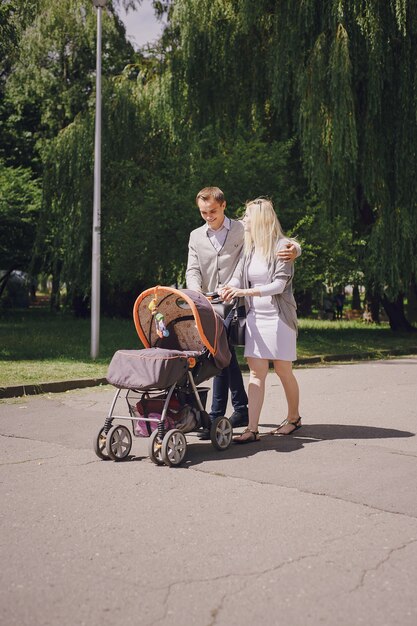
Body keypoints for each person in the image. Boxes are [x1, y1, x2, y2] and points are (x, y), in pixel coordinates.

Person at [186, 187, 300, 438]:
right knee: (243, 367)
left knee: (277, 369)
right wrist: (208, 293)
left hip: (259, 311)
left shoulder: (258, 236)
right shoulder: (205, 238)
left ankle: (290, 417)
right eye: (203, 212)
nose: (208, 216)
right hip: (233, 309)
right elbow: (224, 273)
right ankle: (247, 421)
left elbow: (280, 271)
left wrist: (296, 249)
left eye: (212, 211)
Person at [220, 197, 301, 443]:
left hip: (279, 319)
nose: (243, 220)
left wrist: (245, 292)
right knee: (256, 374)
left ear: (259, 221)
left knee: (283, 370)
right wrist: (228, 288)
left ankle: (294, 418)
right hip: (255, 319)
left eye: (247, 217)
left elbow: (278, 285)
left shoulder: (283, 247)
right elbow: (237, 277)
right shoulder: (250, 248)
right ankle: (252, 429)